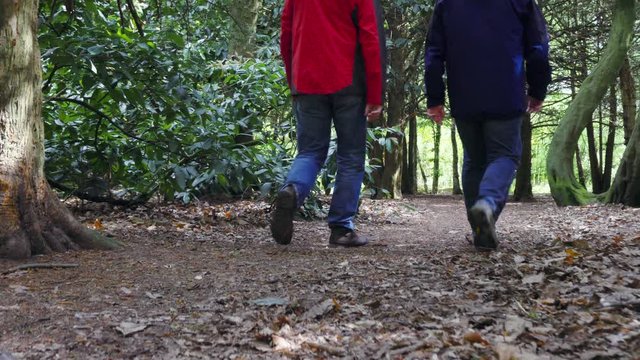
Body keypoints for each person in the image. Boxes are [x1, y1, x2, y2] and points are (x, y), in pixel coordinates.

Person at [424, 0, 552, 251]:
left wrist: (435, 98)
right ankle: (488, 204)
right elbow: (537, 47)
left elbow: (434, 53)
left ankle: (480, 230)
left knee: (474, 159)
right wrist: (538, 89)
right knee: (505, 154)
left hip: (464, 96)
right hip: (505, 93)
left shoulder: (447, 4)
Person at [271, 0, 386, 247]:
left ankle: (292, 189)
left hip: (306, 80)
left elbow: (286, 34)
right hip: (349, 84)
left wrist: (293, 79)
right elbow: (370, 38)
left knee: (310, 152)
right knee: (351, 156)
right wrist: (375, 93)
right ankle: (341, 228)